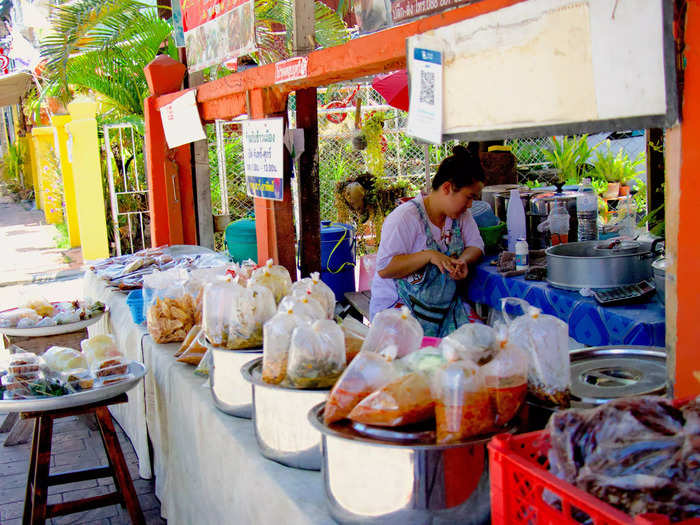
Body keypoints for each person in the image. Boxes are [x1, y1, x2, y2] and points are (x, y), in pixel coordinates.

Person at [369, 145, 485, 336]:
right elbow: (385, 268)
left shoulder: (461, 216)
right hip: (400, 310)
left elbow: (476, 246)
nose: (470, 204)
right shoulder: (405, 217)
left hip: (443, 310)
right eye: (469, 197)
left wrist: (463, 260)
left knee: (477, 345)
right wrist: (428, 255)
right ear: (447, 188)